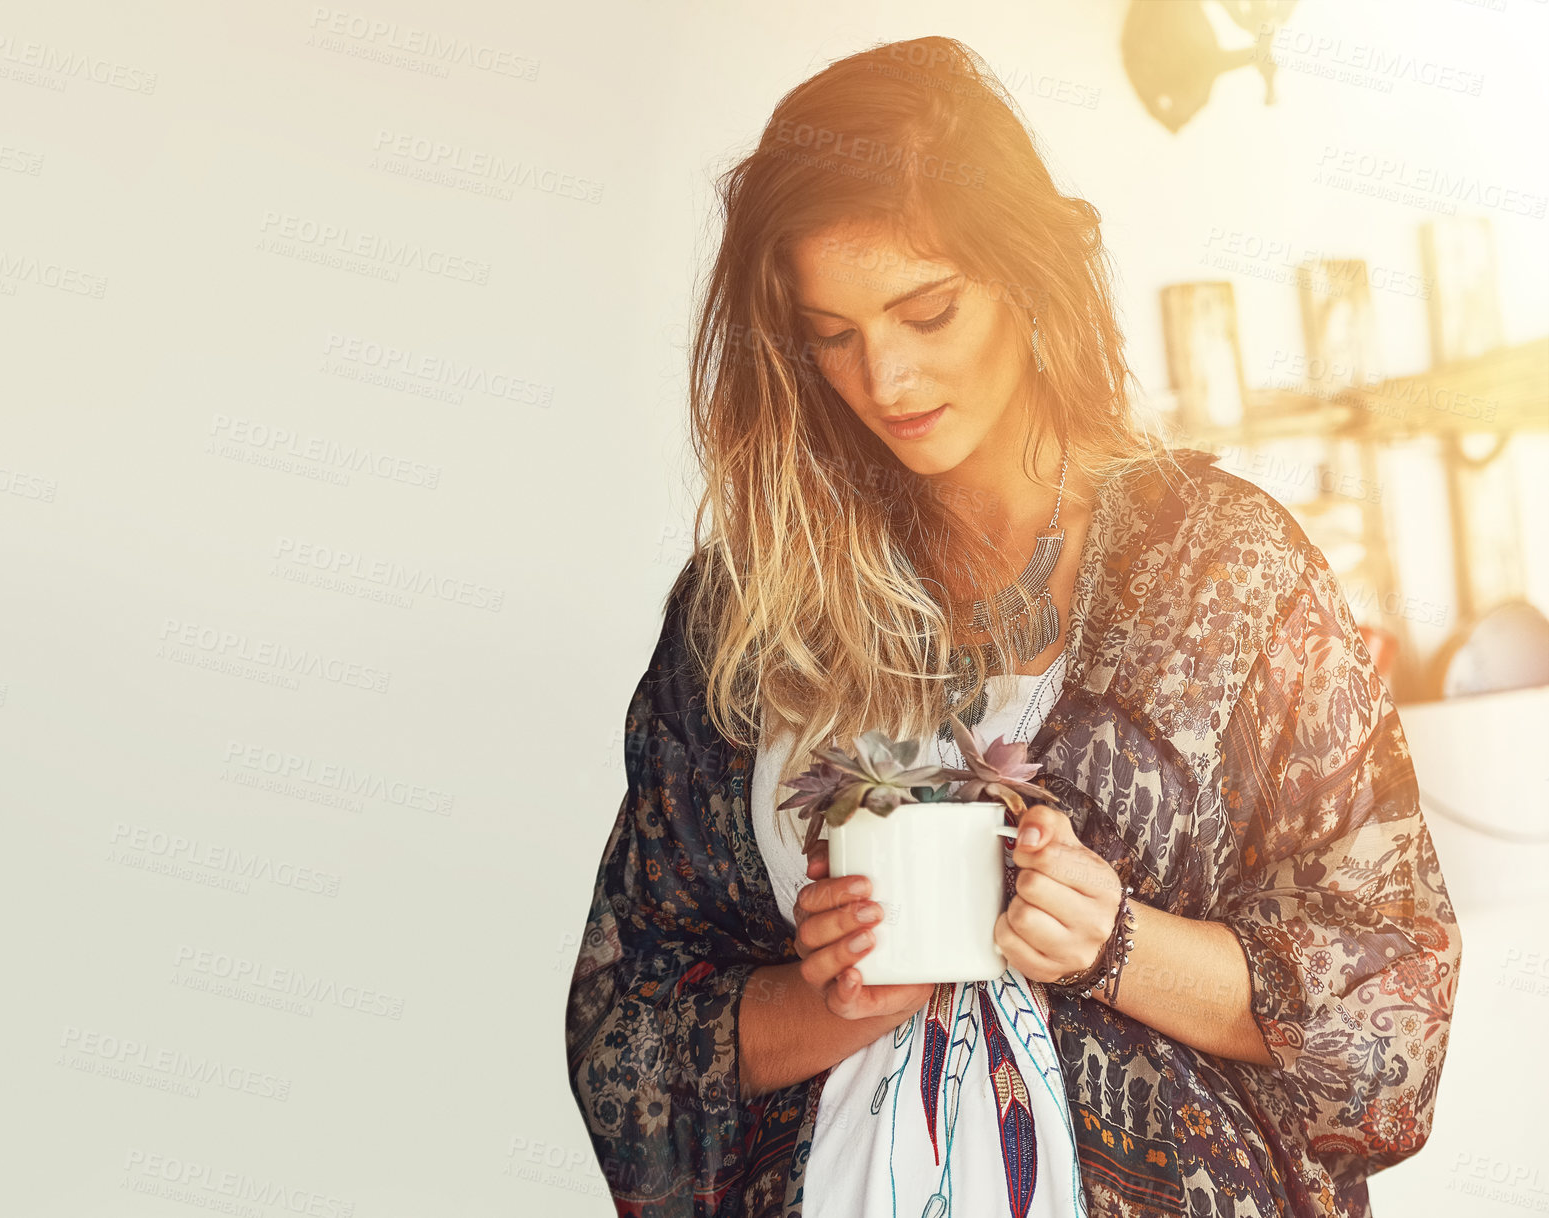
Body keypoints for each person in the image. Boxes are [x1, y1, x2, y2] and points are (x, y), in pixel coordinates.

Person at [565, 35, 1460, 1218]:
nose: (883, 375)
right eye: (831, 332)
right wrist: (825, 999)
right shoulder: (748, 612)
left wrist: (1120, 943)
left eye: (926, 309)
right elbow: (624, 1039)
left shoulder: (1229, 574)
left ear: (1029, 275)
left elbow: (1392, 1021)